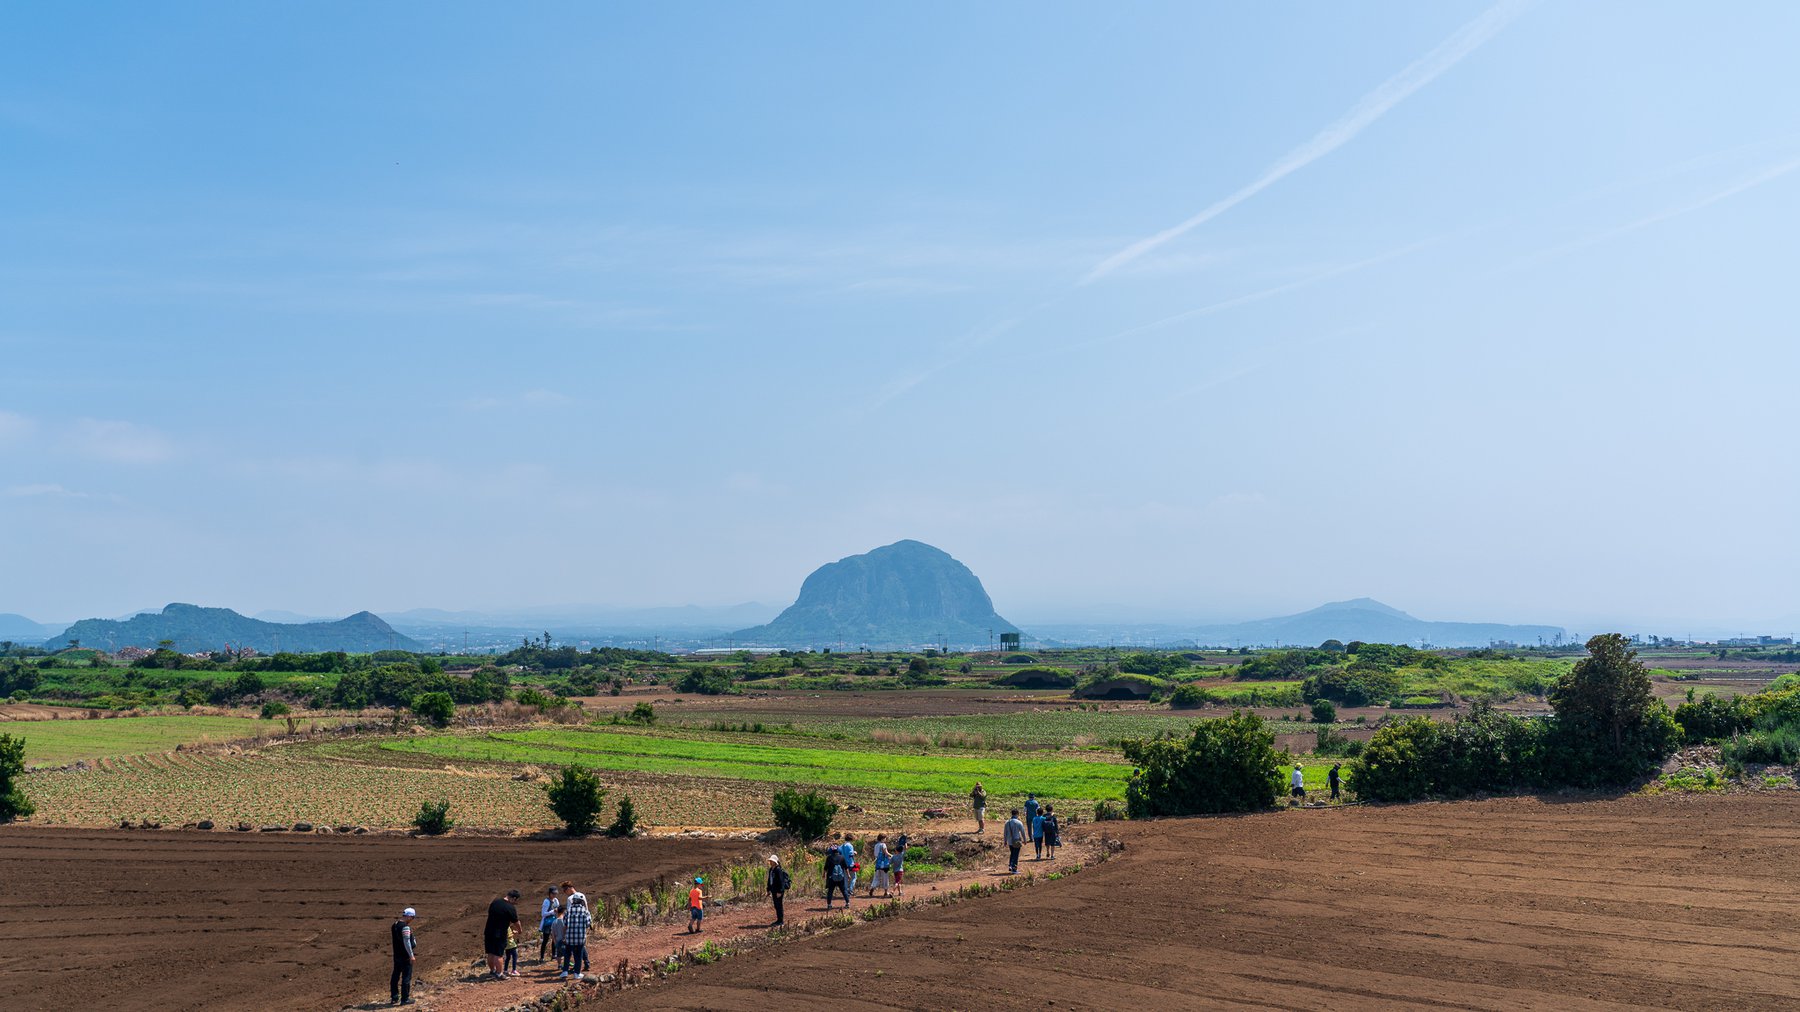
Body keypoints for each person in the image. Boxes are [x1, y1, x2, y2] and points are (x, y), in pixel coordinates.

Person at [483, 889, 521, 981]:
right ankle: (499, 974)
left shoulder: (495, 903)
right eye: (516, 901)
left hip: (488, 931)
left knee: (490, 952)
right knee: (498, 954)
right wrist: (520, 930)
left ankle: (492, 971)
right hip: (499, 933)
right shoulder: (510, 908)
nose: (515, 903)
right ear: (514, 898)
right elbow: (516, 922)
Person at [559, 881, 589, 973]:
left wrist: (566, 930)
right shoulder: (582, 895)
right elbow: (586, 909)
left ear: (568, 888)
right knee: (581, 945)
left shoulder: (570, 899)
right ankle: (586, 963)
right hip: (583, 923)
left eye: (564, 891)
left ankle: (576, 968)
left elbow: (569, 914)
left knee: (573, 949)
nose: (565, 893)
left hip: (573, 925)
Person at [390, 907, 417, 1006]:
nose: (412, 920)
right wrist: (411, 955)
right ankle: (405, 999)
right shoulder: (405, 927)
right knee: (406, 977)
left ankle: (394, 997)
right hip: (405, 956)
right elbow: (407, 942)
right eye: (412, 917)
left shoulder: (395, 925)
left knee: (395, 976)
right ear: (409, 916)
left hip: (396, 955)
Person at [765, 854, 790, 926]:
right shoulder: (771, 870)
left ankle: (780, 921)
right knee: (776, 905)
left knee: (779, 905)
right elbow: (769, 880)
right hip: (773, 890)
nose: (770, 862)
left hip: (778, 891)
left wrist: (780, 891)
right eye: (770, 861)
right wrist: (768, 890)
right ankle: (779, 920)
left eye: (772, 861)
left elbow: (781, 881)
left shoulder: (778, 870)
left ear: (775, 862)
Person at [537, 886, 560, 963]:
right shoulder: (546, 901)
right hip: (547, 923)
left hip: (554, 922)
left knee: (554, 939)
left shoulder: (556, 900)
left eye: (555, 893)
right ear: (550, 893)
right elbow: (543, 914)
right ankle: (542, 957)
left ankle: (554, 955)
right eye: (553, 893)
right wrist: (553, 911)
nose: (554, 895)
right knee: (545, 940)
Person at [869, 833, 892, 898]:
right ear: (882, 838)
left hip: (878, 864)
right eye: (885, 838)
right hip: (884, 864)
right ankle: (885, 892)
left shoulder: (876, 845)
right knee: (885, 878)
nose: (885, 839)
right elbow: (886, 853)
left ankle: (872, 888)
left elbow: (876, 855)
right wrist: (891, 856)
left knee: (876, 877)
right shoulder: (883, 845)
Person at [1003, 809, 1026, 874]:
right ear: (1017, 814)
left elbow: (1005, 833)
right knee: (1016, 855)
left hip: (1010, 841)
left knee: (1012, 853)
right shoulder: (1019, 822)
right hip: (1016, 841)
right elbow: (1023, 832)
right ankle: (1014, 868)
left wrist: (1005, 841)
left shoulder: (1007, 822)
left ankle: (1010, 865)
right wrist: (1024, 840)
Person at [889, 832, 909, 896]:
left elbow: (890, 862)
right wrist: (905, 842)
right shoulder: (901, 855)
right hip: (900, 870)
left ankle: (900, 892)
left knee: (898, 881)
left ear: (896, 850)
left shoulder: (893, 856)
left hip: (895, 871)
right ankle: (892, 892)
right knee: (897, 882)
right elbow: (905, 848)